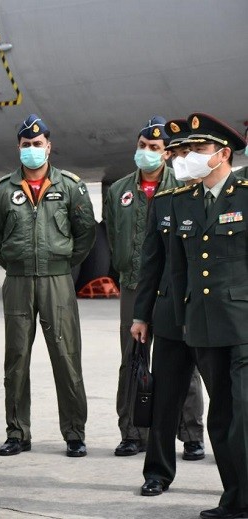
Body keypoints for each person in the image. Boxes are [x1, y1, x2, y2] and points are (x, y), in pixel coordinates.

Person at [0, 114, 95, 457]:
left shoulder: (70, 187)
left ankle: (74, 433)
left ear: (49, 147)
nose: (32, 149)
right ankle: (17, 432)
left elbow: (85, 232)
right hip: (17, 281)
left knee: (66, 357)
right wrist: (16, 263)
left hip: (57, 281)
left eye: (37, 144)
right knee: (16, 359)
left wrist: (60, 264)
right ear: (18, 148)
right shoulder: (3, 190)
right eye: (26, 145)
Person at [168, 113, 248, 519]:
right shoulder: (187, 200)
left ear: (223, 154)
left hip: (243, 324)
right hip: (202, 324)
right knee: (221, 418)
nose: (190, 157)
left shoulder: (246, 194)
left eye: (199, 150)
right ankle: (234, 498)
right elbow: (179, 268)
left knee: (244, 416)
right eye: (190, 150)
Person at [104, 116, 195, 457]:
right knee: (133, 358)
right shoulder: (119, 190)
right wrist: (127, 267)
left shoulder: (182, 186)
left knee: (185, 357)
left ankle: (190, 433)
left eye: (154, 148)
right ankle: (132, 431)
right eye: (142, 146)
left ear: (167, 154)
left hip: (173, 287)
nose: (146, 152)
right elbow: (114, 236)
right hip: (134, 284)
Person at [131, 118, 206, 497]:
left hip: (214, 320)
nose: (180, 160)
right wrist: (141, 314)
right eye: (176, 154)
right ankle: (157, 472)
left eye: (186, 153)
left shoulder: (228, 198)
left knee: (229, 405)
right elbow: (151, 263)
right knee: (164, 401)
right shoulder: (164, 204)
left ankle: (236, 480)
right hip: (171, 317)